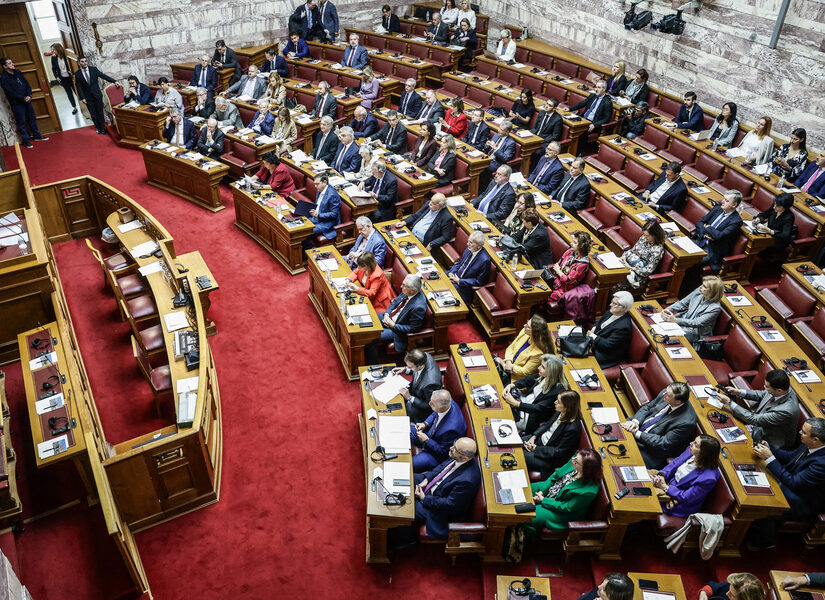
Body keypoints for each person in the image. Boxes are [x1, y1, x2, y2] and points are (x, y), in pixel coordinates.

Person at [748, 419, 825, 550]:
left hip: (803, 501)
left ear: (816, 439)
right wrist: (769, 448)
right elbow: (790, 457)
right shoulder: (809, 444)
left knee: (764, 500)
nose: (800, 432)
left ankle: (767, 540)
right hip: (795, 485)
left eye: (804, 432)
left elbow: (794, 482)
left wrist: (769, 458)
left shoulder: (822, 464)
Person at [409, 437, 481, 540]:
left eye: (455, 449)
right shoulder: (458, 454)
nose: (451, 448)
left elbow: (450, 505)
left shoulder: (468, 480)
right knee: (407, 476)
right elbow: (441, 467)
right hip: (432, 487)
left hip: (437, 509)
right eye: (454, 444)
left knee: (406, 507)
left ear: (465, 458)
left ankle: (407, 539)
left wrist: (424, 499)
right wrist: (427, 480)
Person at [717, 369, 800, 449]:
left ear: (779, 391)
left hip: (769, 442)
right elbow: (762, 394)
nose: (765, 388)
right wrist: (738, 392)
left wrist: (729, 402)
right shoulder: (783, 389)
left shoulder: (787, 410)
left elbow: (753, 419)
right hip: (758, 427)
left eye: (767, 387)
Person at [621, 382, 697, 469]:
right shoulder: (667, 393)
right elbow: (648, 407)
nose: (664, 393)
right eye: (666, 391)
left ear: (678, 402)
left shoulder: (686, 422)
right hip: (637, 426)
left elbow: (663, 443)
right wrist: (635, 422)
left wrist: (637, 433)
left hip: (648, 450)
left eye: (668, 395)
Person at [525, 449, 601, 535]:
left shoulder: (589, 491)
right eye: (576, 455)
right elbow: (556, 475)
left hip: (560, 512)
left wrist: (543, 500)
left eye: (576, 461)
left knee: (526, 516)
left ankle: (529, 537)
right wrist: (543, 491)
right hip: (550, 489)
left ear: (585, 469)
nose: (573, 459)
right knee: (523, 490)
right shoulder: (575, 461)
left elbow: (567, 507)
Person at [652, 435, 720, 517]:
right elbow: (674, 464)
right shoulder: (691, 451)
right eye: (694, 441)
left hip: (678, 502)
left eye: (695, 444)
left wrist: (665, 487)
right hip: (667, 482)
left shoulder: (708, 478)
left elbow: (686, 498)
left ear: (703, 453)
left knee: (646, 501)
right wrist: (662, 476)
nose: (691, 443)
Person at [365, 274, 427, 362]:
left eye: (404, 285)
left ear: (413, 290)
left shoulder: (418, 307)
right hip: (390, 317)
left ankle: (372, 364)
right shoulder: (407, 290)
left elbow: (414, 328)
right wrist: (386, 314)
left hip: (397, 330)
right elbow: (395, 302)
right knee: (368, 319)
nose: (401, 287)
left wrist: (393, 325)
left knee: (369, 337)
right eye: (403, 284)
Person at [503, 354, 568, 435]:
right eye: (540, 365)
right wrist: (512, 385)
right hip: (522, 403)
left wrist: (515, 403)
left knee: (504, 416)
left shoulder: (557, 390)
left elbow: (538, 408)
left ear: (551, 372)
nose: (538, 368)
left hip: (529, 417)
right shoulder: (543, 376)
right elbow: (527, 380)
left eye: (543, 367)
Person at [410, 390, 466, 472]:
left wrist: (427, 440)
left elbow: (443, 451)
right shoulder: (446, 401)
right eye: (430, 400)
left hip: (435, 455)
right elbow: (435, 413)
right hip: (430, 436)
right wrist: (425, 423)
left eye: (432, 403)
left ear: (442, 408)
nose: (429, 404)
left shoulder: (452, 429)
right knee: (404, 430)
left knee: (409, 464)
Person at [1, 57, 50, 148]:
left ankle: (37, 136)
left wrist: (29, 95)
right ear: (4, 66)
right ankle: (26, 140)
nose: (13, 64)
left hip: (27, 100)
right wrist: (23, 98)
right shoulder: (3, 78)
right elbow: (10, 92)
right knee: (21, 122)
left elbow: (27, 84)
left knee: (32, 118)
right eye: (9, 63)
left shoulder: (18, 72)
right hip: (17, 103)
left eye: (12, 62)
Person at [660, 275, 723, 343]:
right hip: (683, 321)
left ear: (712, 291)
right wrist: (668, 309)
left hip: (695, 332)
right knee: (660, 327)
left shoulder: (715, 308)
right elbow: (682, 304)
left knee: (667, 336)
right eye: (702, 284)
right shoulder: (698, 292)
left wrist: (675, 320)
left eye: (704, 286)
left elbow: (696, 322)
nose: (700, 286)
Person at [694, 190, 743, 272]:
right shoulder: (717, 209)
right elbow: (700, 222)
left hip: (712, 250)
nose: (722, 201)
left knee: (690, 262)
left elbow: (719, 236)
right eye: (724, 199)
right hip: (700, 239)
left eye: (726, 201)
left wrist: (707, 227)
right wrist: (704, 234)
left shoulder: (736, 221)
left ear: (734, 205)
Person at [494, 315, 553, 382]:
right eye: (527, 323)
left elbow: (525, 371)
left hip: (515, 377)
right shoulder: (524, 333)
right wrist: (508, 361)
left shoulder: (539, 353)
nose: (524, 325)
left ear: (534, 333)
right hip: (508, 364)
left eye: (528, 326)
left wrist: (503, 364)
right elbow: (511, 348)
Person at [587, 291, 634, 369]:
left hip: (604, 354)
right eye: (612, 302)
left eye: (614, 304)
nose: (610, 305)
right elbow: (599, 322)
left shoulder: (623, 327)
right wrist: (593, 329)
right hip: (595, 343)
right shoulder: (612, 311)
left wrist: (592, 336)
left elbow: (607, 345)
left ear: (624, 308)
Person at [73, 55, 118, 135]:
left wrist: (114, 81)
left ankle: (103, 128)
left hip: (97, 95)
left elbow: (103, 76)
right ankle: (98, 128)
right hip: (87, 97)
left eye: (85, 61)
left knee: (100, 112)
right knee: (93, 114)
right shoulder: (77, 74)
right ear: (79, 63)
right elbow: (78, 87)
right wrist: (82, 97)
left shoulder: (93, 69)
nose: (84, 63)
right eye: (82, 62)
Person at [395, 349, 442, 422]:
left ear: (421, 365)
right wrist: (405, 369)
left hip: (422, 407)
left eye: (410, 367)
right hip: (416, 389)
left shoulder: (431, 383)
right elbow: (416, 370)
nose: (408, 368)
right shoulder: (424, 355)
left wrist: (410, 398)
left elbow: (429, 405)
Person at [620, 219, 666, 289]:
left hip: (638, 275)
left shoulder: (657, 250)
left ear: (655, 235)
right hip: (627, 264)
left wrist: (630, 268)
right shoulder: (643, 238)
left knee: (616, 280)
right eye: (644, 234)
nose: (645, 237)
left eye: (647, 235)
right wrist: (624, 256)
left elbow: (648, 270)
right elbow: (633, 250)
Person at [447, 230, 490, 304]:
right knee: (438, 276)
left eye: (471, 243)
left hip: (464, 288)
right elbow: (460, 263)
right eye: (468, 241)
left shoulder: (484, 260)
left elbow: (479, 282)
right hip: (455, 276)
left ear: (479, 246)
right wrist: (452, 272)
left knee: (446, 290)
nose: (467, 244)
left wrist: (459, 281)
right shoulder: (470, 248)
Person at [547, 230, 591, 302]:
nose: (571, 243)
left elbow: (567, 280)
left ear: (581, 246)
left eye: (574, 243)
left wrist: (558, 271)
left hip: (564, 289)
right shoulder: (570, 251)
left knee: (545, 296)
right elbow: (558, 263)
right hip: (555, 279)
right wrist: (559, 272)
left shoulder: (583, 265)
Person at [751, 192, 795, 261]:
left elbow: (785, 235)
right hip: (766, 236)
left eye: (778, 206)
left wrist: (769, 231)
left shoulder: (789, 217)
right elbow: (764, 214)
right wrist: (758, 219)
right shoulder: (775, 206)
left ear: (785, 207)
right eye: (774, 204)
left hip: (776, 242)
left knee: (754, 247)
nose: (774, 207)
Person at [308, 172, 341, 240]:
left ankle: (308, 249)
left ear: (325, 182)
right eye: (315, 184)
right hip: (316, 218)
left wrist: (318, 215)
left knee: (307, 232)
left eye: (317, 184)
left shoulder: (332, 195)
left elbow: (333, 214)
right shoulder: (320, 189)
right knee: (301, 227)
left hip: (327, 223)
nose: (315, 186)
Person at [49, 43, 77, 114]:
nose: (53, 52)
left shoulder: (67, 56)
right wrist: (56, 77)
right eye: (52, 50)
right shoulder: (53, 58)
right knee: (69, 93)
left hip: (71, 78)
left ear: (58, 49)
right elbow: (53, 69)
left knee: (77, 91)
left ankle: (84, 106)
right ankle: (74, 107)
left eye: (54, 50)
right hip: (63, 79)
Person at [699, 574, 766, 600]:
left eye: (732, 595)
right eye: (729, 590)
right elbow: (713, 586)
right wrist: (704, 593)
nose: (727, 593)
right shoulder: (733, 587)